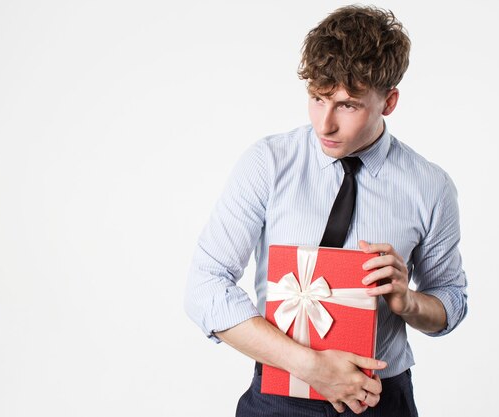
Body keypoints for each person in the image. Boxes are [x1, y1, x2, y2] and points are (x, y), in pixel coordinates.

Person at [184, 5, 468, 417]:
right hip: (278, 394)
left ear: (389, 102)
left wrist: (409, 303)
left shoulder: (431, 186)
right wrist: (311, 367)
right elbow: (204, 287)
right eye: (317, 99)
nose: (325, 125)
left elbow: (452, 301)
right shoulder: (268, 162)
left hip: (382, 400)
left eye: (347, 105)